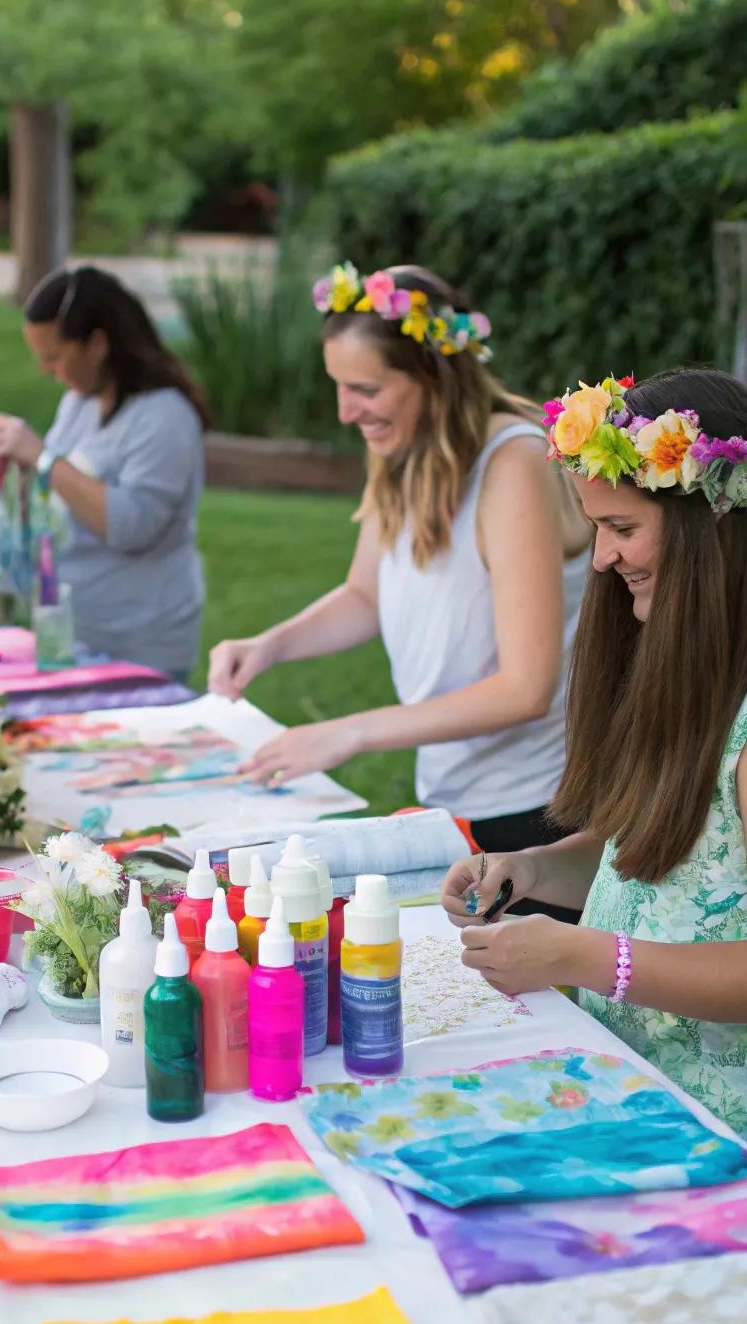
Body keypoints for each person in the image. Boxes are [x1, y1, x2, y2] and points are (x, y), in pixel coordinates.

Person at [442, 367, 747, 1195]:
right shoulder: (717, 646)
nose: (603, 559)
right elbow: (682, 853)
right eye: (596, 528)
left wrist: (587, 956)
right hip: (659, 1101)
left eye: (622, 526)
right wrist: (537, 870)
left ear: (707, 525)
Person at [209, 263, 591, 915]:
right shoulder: (403, 446)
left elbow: (528, 689)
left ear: (432, 378)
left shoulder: (514, 465)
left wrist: (348, 733)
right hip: (454, 799)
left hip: (533, 816)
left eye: (364, 388)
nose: (344, 410)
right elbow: (366, 594)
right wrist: (271, 645)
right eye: (338, 386)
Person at [0, 265, 209, 679]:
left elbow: (133, 527)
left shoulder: (166, 416)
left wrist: (43, 458)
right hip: (74, 636)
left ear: (98, 344)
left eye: (54, 356)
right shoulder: (79, 404)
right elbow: (54, 492)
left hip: (141, 644)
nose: (46, 370)